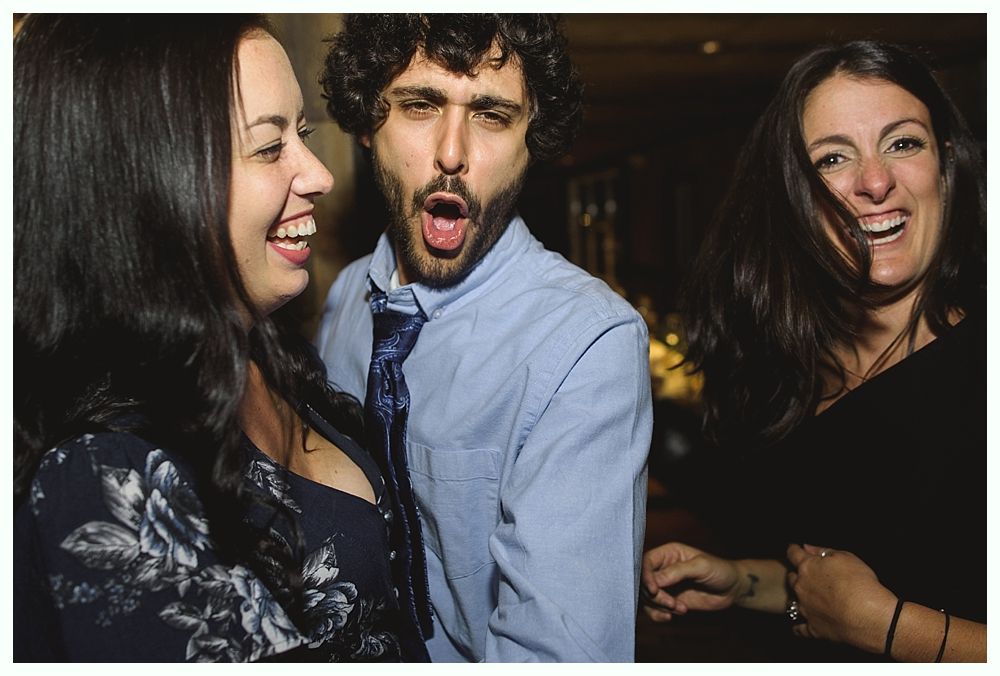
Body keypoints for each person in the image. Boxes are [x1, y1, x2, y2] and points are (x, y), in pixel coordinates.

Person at [14, 14, 424, 662]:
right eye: (268, 147)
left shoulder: (272, 354)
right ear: (148, 181)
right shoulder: (101, 476)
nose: (318, 173)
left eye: (302, 134)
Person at [316, 14, 652, 662]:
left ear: (533, 141)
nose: (452, 152)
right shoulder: (344, 300)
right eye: (420, 105)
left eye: (492, 115)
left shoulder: (587, 344)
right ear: (367, 123)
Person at [640, 41, 985, 662]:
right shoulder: (792, 372)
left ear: (946, 164)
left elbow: (866, 612)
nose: (875, 181)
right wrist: (742, 581)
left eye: (903, 143)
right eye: (832, 158)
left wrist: (890, 628)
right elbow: (834, 586)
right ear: (795, 197)